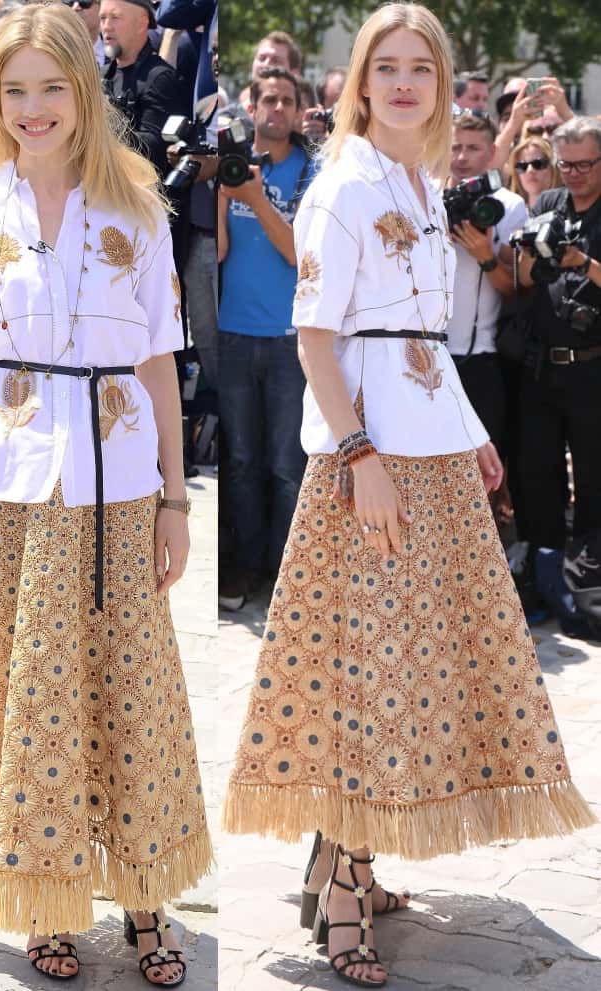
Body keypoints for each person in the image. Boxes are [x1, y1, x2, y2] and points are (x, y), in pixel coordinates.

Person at [222, 4, 595, 988]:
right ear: (357, 85)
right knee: (365, 670)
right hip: (370, 464)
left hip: (431, 452)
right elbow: (316, 338)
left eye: (417, 68)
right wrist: (360, 454)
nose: (399, 83)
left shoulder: (423, 188)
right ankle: (341, 895)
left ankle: (341, 859)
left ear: (438, 84)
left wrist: (471, 439)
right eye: (381, 66)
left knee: (408, 667)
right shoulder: (342, 186)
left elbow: (426, 340)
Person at [0, 4, 212, 986]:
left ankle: (147, 896)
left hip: (115, 489)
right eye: (13, 90)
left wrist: (173, 498)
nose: (34, 108)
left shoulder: (136, 208)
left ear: (85, 90)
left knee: (131, 693)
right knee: (21, 702)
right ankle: (44, 895)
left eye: (52, 86)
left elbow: (160, 363)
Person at [218, 66, 315, 598]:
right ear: (250, 108)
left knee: (285, 465)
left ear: (299, 113)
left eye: (286, 102)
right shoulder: (232, 164)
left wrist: (254, 199)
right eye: (268, 100)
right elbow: (223, 251)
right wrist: (224, 184)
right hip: (233, 332)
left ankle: (287, 577)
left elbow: (303, 255)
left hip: (288, 338)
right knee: (240, 462)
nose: (277, 109)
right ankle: (245, 567)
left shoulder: (312, 172)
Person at [515, 117, 601, 585]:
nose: (574, 173)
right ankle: (546, 581)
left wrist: (582, 262)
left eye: (585, 164)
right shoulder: (549, 202)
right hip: (544, 368)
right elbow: (525, 281)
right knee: (538, 476)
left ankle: (588, 582)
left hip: (592, 371)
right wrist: (528, 252)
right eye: (565, 164)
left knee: (593, 483)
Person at [445, 109, 526, 456]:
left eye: (473, 148)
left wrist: (484, 255)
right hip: (428, 355)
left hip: (481, 356)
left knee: (482, 471)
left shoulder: (508, 206)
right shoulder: (424, 197)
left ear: (492, 153)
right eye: (455, 147)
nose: (462, 157)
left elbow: (514, 288)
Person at [99, 0, 188, 178]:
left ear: (141, 24)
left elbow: (153, 150)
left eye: (115, 18)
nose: (106, 27)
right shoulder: (101, 76)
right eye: (102, 18)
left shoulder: (160, 79)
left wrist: (101, 126)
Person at [509, 135, 560, 212]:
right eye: (522, 166)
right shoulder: (512, 214)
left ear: (553, 168)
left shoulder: (569, 209)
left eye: (538, 164)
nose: (530, 170)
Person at [62, 0, 105, 67]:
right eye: (69, 1)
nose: (75, 7)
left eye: (84, 1)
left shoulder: (120, 52)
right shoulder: (53, 52)